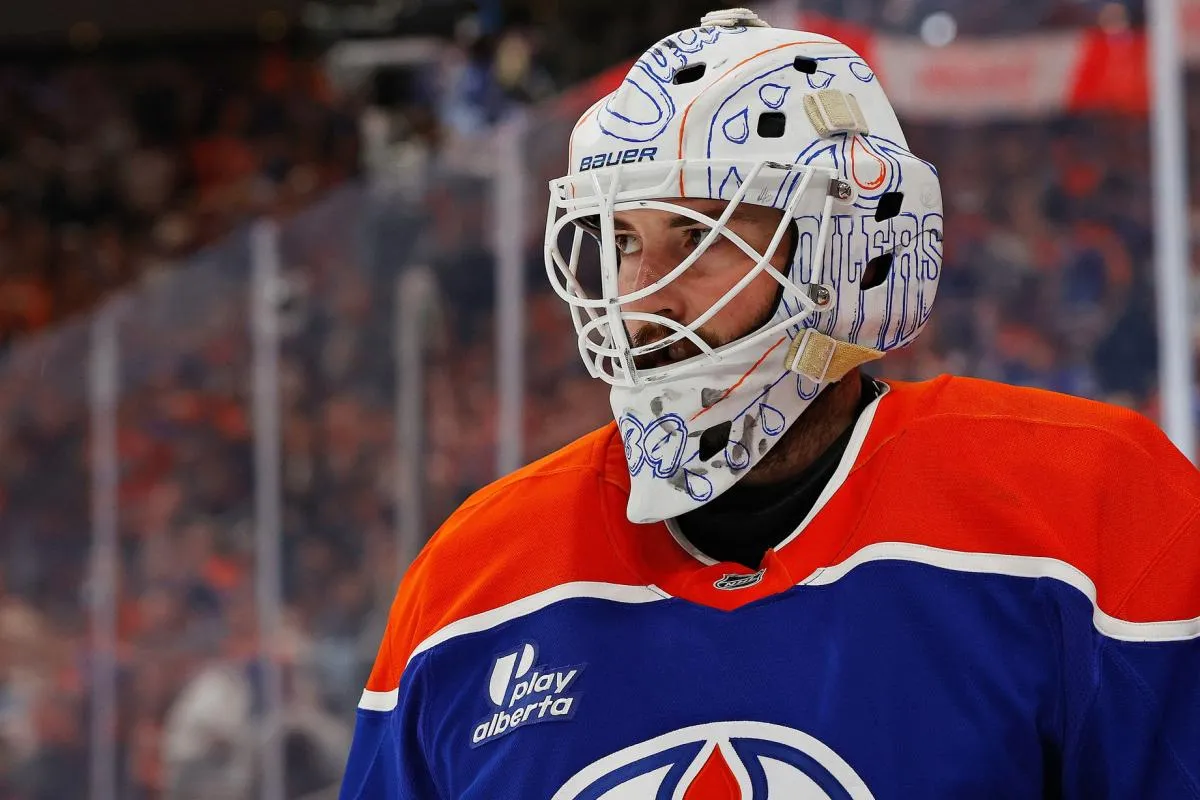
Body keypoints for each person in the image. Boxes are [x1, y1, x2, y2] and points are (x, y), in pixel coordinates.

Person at [340, 9, 1199, 798]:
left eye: (699, 240)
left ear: (849, 253)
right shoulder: (469, 585)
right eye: (624, 242)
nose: (641, 300)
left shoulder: (1088, 511)